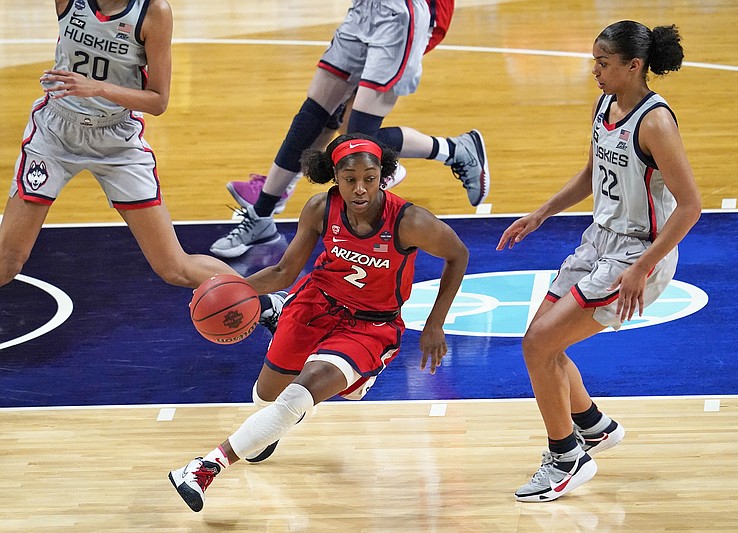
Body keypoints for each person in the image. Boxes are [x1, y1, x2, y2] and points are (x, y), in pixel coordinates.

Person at [169, 134, 469, 512]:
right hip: (315, 304)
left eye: (370, 178)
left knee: (299, 395)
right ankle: (279, 324)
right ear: (334, 177)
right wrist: (234, 291)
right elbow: (283, 270)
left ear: (383, 176)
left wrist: (434, 324)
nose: (360, 188)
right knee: (265, 398)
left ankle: (203, 467)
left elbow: (458, 255)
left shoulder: (410, 221)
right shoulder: (319, 209)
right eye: (349, 179)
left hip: (370, 325)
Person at [496, 20, 701, 502]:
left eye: (603, 63)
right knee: (541, 339)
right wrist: (542, 211)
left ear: (634, 66)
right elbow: (594, 173)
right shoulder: (606, 105)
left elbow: (690, 205)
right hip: (600, 242)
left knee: (538, 346)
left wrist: (642, 267)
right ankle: (593, 425)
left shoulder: (655, 122)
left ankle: (566, 457)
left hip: (639, 252)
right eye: (595, 61)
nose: (595, 71)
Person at [209, 0, 489, 259]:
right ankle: (260, 216)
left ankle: (454, 151)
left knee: (356, 141)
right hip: (364, 9)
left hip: (398, 15)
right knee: (312, 117)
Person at [0, 0, 237, 289]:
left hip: (117, 140)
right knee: (7, 260)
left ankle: (267, 304)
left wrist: (98, 88)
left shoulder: (154, 12)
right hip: (55, 133)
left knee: (174, 267)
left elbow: (158, 100)